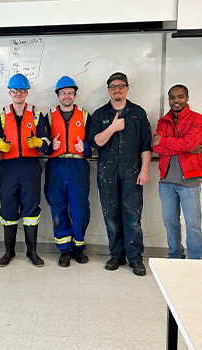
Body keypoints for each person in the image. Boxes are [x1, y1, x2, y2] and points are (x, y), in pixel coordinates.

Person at [88, 72, 152, 276]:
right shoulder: (99, 114)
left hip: (133, 173)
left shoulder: (138, 113)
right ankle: (116, 255)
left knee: (133, 217)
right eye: (113, 87)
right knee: (111, 216)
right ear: (108, 90)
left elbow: (146, 146)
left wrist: (144, 170)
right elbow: (95, 142)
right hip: (107, 173)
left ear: (127, 88)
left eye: (121, 86)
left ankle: (135, 258)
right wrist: (113, 128)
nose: (117, 90)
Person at [0, 73, 49, 267]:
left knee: (31, 207)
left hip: (30, 166)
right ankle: (9, 252)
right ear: (9, 92)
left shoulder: (37, 114)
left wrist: (39, 142)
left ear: (27, 92)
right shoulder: (1, 115)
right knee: (8, 207)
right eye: (14, 90)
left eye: (22, 90)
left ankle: (32, 252)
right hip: (8, 166)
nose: (18, 93)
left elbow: (47, 141)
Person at [44, 76, 92, 267]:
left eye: (70, 92)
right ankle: (64, 250)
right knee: (58, 208)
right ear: (57, 96)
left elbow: (95, 141)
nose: (66, 96)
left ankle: (78, 248)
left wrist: (86, 147)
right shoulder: (48, 116)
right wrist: (50, 146)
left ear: (75, 95)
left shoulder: (85, 116)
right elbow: (41, 142)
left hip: (78, 166)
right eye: (62, 93)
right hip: (55, 166)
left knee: (79, 209)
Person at [152, 84, 202, 259]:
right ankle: (175, 255)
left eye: (180, 97)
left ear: (187, 98)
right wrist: (186, 147)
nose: (176, 101)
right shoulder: (162, 121)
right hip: (166, 181)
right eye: (172, 97)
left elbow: (190, 142)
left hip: (190, 181)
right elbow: (157, 148)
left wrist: (165, 141)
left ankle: (196, 260)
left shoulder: (197, 119)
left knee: (193, 225)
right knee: (170, 222)